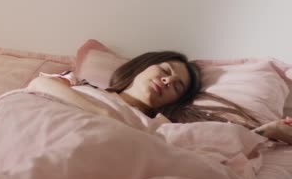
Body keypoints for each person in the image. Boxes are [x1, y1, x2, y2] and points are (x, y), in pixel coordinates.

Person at [31, 51, 292, 144]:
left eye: (176, 86)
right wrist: (106, 115)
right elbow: (40, 85)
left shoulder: (160, 126)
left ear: (173, 101)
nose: (167, 80)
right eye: (165, 71)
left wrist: (264, 132)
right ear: (145, 65)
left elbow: (208, 146)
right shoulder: (81, 85)